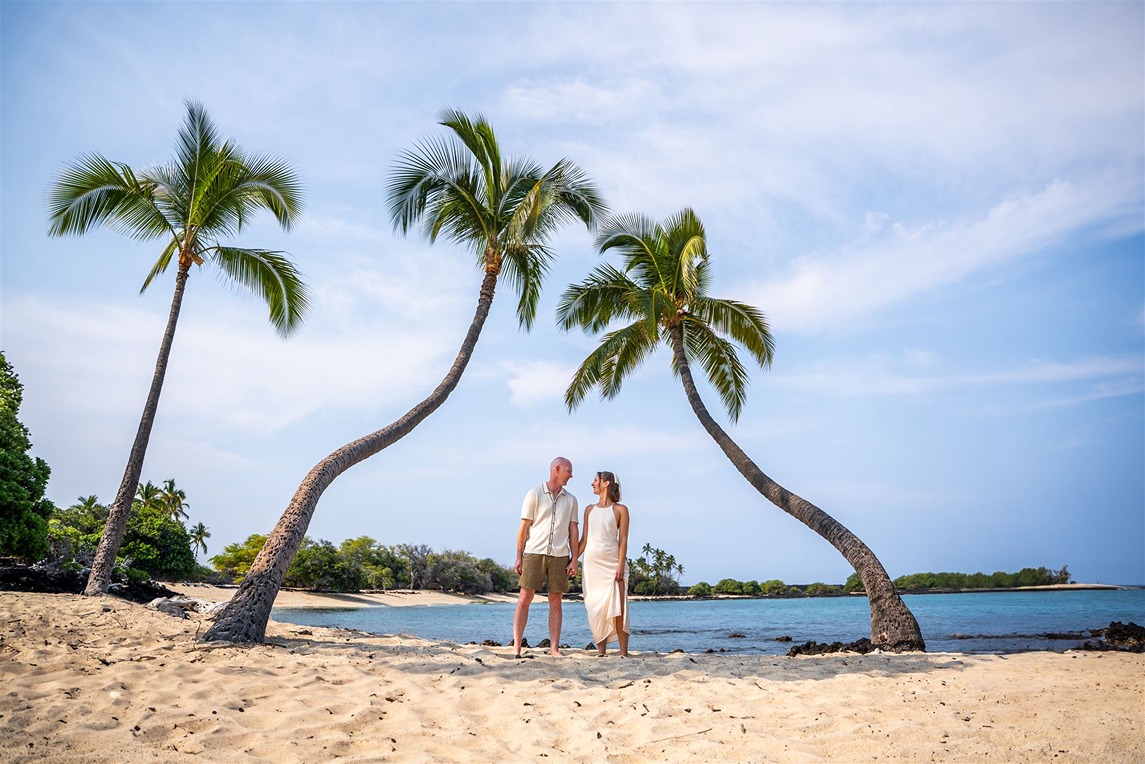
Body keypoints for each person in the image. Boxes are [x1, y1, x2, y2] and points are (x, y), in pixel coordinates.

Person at [512, 456, 579, 657]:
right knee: (525, 598)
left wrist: (574, 558)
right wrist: (519, 556)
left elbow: (573, 531)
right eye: (569, 471)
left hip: (560, 555)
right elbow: (524, 527)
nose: (571, 475)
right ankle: (516, 647)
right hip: (534, 552)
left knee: (556, 600)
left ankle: (554, 648)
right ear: (556, 469)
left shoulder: (572, 500)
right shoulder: (534, 494)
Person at [577, 470, 630, 657]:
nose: (592, 484)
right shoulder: (589, 510)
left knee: (619, 608)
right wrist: (572, 559)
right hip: (592, 565)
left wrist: (620, 566)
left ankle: (624, 653)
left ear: (606, 483)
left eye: (595, 480)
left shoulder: (620, 510)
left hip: (613, 563)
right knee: (595, 607)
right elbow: (584, 540)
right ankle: (601, 652)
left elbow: (623, 540)